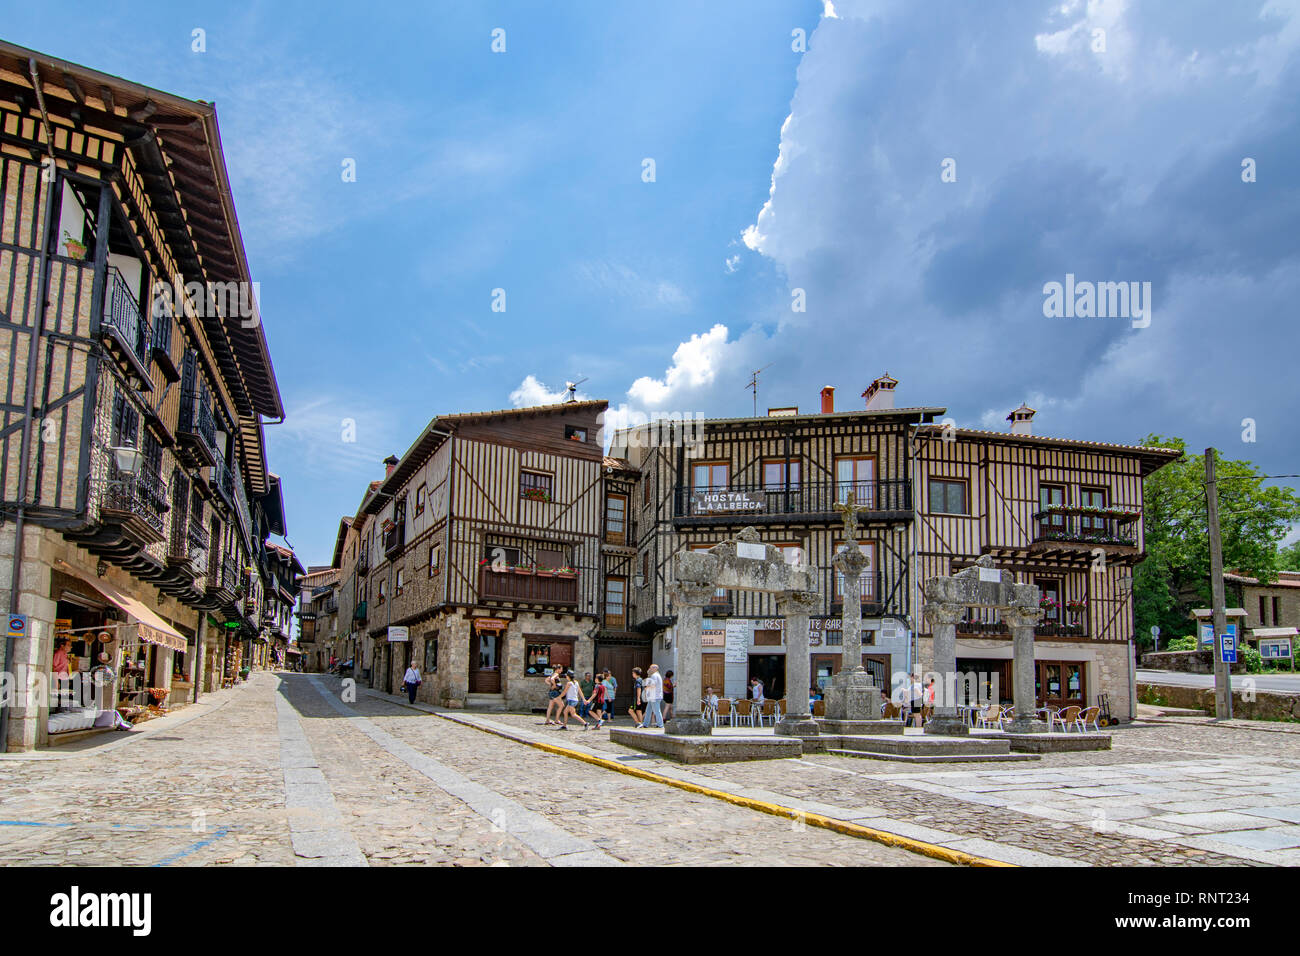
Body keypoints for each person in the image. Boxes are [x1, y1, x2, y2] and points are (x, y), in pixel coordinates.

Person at [641, 664, 664, 729]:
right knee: (648, 710)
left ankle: (660, 725)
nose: (650, 669)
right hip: (654, 696)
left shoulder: (654, 675)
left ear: (655, 668)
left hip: (655, 696)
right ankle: (645, 724)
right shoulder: (657, 675)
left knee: (656, 711)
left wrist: (646, 688)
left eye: (651, 668)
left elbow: (653, 685)